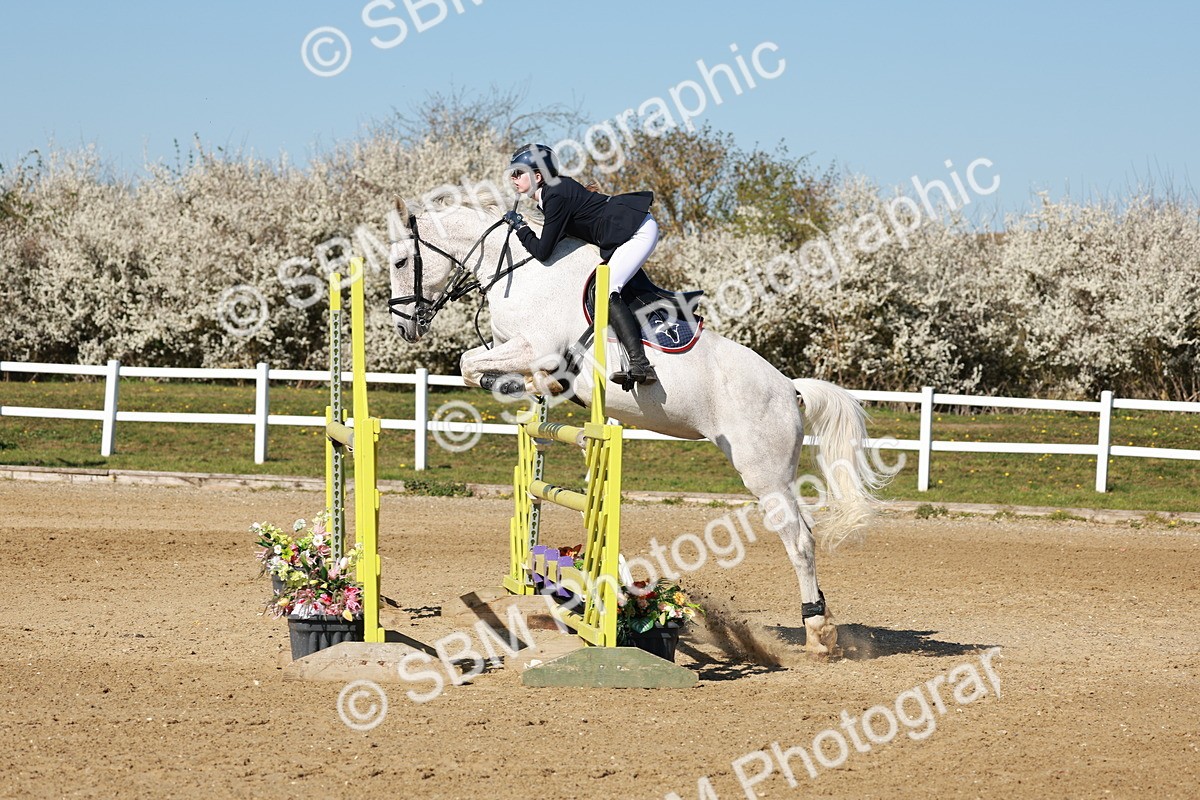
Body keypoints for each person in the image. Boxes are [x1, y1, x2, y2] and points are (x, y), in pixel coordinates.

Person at [503, 143, 659, 389]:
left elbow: (543, 252)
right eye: (512, 173)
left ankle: (641, 365)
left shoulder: (555, 195)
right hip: (624, 232)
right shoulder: (550, 195)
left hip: (637, 231)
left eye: (518, 173)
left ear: (537, 176)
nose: (513, 178)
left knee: (608, 291)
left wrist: (521, 228)